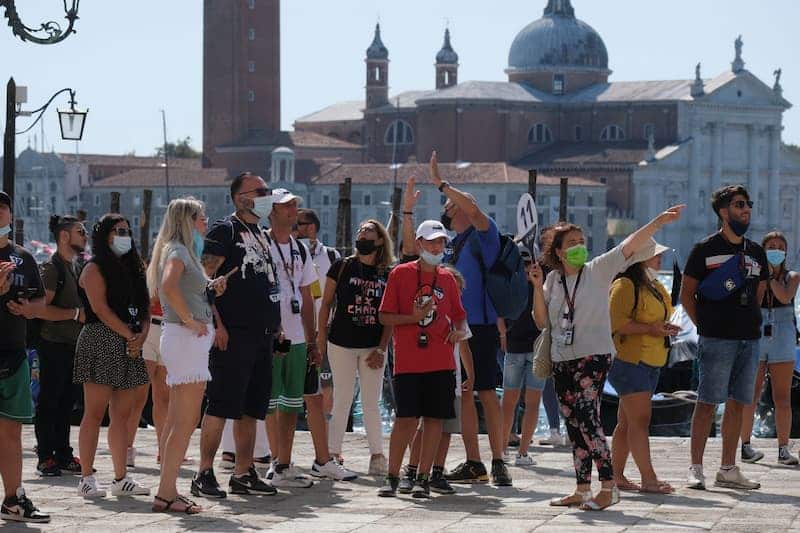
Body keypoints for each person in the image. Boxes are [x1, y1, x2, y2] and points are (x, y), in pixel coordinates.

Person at [532, 205, 683, 511]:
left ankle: (609, 485)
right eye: (571, 243)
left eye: (580, 241)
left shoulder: (598, 269)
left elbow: (629, 244)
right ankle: (582, 488)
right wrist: (536, 286)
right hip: (563, 357)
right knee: (573, 422)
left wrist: (657, 220)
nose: (578, 247)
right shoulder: (552, 282)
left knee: (589, 418)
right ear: (558, 253)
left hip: (594, 357)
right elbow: (540, 321)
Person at [423, 152, 510, 487]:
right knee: (464, 393)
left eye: (452, 203)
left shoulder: (484, 236)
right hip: (451, 329)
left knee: (487, 391)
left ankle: (500, 460)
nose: (449, 207)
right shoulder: (453, 244)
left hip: (481, 326)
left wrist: (442, 183)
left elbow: (474, 208)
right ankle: (475, 462)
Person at [193, 172, 278, 498]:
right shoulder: (224, 230)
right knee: (221, 404)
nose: (265, 195)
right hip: (233, 333)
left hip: (261, 333)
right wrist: (218, 324)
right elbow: (204, 279)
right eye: (260, 190)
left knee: (251, 408)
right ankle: (203, 472)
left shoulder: (260, 233)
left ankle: (244, 472)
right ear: (240, 196)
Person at [265, 188, 356, 487]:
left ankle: (285, 464)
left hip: (298, 339)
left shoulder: (299, 249)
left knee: (293, 404)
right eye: (287, 207)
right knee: (269, 404)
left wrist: (314, 339)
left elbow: (306, 296)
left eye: (295, 206)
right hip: (269, 336)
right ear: (271, 210)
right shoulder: (262, 245)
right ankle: (273, 464)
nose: (294, 211)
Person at [681, 185, 769, 491]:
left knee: (738, 404)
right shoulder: (704, 250)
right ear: (723, 211)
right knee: (706, 403)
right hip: (716, 339)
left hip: (750, 339)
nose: (747, 209)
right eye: (740, 204)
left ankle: (728, 469)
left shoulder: (756, 251)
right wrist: (705, 327)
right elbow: (686, 294)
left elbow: (759, 292)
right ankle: (695, 468)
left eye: (749, 204)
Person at [147, 197, 229, 514]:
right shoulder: (179, 251)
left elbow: (181, 287)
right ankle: (167, 492)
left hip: (183, 339)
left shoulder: (182, 251)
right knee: (184, 421)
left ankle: (166, 491)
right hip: (185, 338)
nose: (206, 222)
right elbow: (168, 286)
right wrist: (188, 318)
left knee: (178, 421)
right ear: (188, 220)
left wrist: (211, 285)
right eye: (202, 217)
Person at [377, 220, 468, 498]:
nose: (437, 246)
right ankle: (392, 476)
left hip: (441, 361)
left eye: (440, 242)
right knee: (405, 420)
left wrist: (458, 331)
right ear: (419, 244)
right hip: (408, 361)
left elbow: (461, 317)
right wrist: (412, 319)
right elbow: (384, 316)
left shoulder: (447, 278)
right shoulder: (400, 274)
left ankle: (423, 478)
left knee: (434, 421)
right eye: (431, 242)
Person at [73, 213, 151, 498]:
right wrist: (129, 335)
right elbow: (101, 310)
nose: (124, 235)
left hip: (130, 342)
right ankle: (86, 477)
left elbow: (144, 307)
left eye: (127, 230)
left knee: (123, 414)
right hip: (101, 339)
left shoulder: (135, 268)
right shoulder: (93, 269)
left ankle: (121, 477)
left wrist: (140, 336)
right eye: (118, 230)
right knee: (93, 413)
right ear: (104, 235)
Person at [318, 219, 393, 476]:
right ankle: (333, 452)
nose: (363, 234)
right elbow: (326, 303)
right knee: (342, 398)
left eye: (369, 231)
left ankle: (377, 454)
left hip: (372, 346)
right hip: (341, 342)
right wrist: (321, 336)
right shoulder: (342, 266)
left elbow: (390, 315)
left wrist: (382, 349)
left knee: (372, 401)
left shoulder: (387, 273)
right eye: (360, 230)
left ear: (380, 240)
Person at [608, 243, 677, 494]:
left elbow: (658, 318)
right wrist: (651, 329)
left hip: (650, 361)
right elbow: (617, 323)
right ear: (640, 259)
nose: (660, 258)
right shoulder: (625, 285)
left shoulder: (654, 286)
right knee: (640, 420)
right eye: (655, 254)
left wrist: (664, 328)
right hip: (630, 361)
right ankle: (648, 479)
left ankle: (616, 476)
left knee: (626, 422)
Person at [0, 191, 50, 523]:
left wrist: (28, 309)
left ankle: (14, 498)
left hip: (13, 353)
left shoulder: (23, 257)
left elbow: (41, 303)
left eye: (2, 207)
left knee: (12, 432)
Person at [740, 231, 800, 465]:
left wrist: (769, 276)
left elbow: (785, 297)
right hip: (757, 331)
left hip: (783, 333)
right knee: (750, 394)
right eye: (771, 246)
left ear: (785, 252)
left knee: (782, 396)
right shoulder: (753, 277)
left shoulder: (792, 276)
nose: (776, 250)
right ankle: (745, 444)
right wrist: (760, 278)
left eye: (780, 247)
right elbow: (752, 301)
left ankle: (783, 448)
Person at [34, 215, 87, 477]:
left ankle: (63, 452)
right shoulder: (52, 269)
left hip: (72, 345)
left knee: (67, 402)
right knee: (49, 400)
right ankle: (45, 455)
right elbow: (42, 309)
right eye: (80, 231)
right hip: (53, 344)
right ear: (64, 236)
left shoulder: (76, 267)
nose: (85, 236)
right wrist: (75, 315)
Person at [501, 245, 546, 466]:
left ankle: (511, 450)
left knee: (513, 402)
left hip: (523, 347)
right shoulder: (538, 283)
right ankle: (520, 452)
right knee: (524, 402)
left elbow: (500, 312)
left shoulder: (511, 282)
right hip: (528, 347)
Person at [297, 208, 340, 424]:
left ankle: (325, 430)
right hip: (295, 329)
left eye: (298, 224)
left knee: (327, 382)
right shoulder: (291, 253)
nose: (294, 228)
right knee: (293, 381)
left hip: (325, 329)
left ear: (311, 227)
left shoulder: (332, 256)